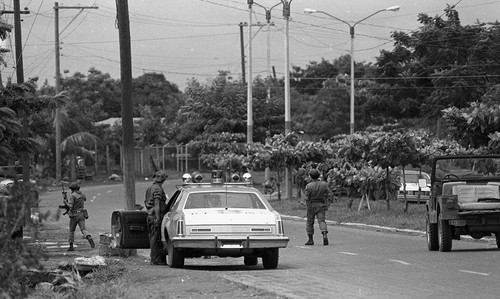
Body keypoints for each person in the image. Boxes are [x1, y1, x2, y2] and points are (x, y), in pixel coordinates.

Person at [144, 170, 169, 265]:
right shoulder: (158, 189)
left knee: (153, 237)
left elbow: (146, 202)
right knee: (156, 238)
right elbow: (157, 203)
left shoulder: (150, 188)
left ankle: (155, 259)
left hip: (150, 214)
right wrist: (158, 217)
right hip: (155, 215)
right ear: (163, 180)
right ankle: (155, 260)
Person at [304, 169, 333, 246]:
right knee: (321, 221)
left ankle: (310, 239)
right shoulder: (324, 184)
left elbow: (306, 198)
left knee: (310, 222)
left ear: (310, 177)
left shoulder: (309, 186)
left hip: (311, 205)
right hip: (321, 205)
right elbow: (330, 194)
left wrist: (308, 207)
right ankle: (324, 233)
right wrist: (328, 203)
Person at [65, 181, 95, 251]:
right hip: (81, 214)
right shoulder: (81, 195)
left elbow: (71, 206)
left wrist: (66, 202)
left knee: (71, 231)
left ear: (72, 189)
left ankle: (71, 246)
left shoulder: (72, 196)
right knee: (83, 229)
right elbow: (85, 198)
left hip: (74, 215)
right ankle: (88, 237)